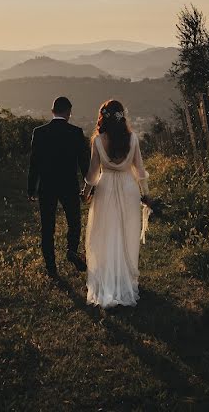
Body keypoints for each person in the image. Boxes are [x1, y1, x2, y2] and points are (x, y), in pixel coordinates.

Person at [82, 99, 150, 308]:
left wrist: (85, 192)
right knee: (126, 231)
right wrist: (145, 194)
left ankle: (108, 278)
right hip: (129, 189)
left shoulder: (97, 140)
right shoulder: (132, 138)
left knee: (105, 232)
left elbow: (93, 173)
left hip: (106, 188)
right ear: (122, 116)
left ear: (104, 116)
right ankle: (124, 279)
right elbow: (139, 170)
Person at [27, 96, 90, 281]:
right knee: (74, 222)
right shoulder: (76, 132)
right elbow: (84, 164)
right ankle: (71, 250)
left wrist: (31, 188)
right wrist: (89, 186)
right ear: (69, 112)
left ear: (52, 110)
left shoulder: (39, 132)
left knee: (47, 228)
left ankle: (51, 268)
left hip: (46, 187)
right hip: (69, 186)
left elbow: (34, 163)